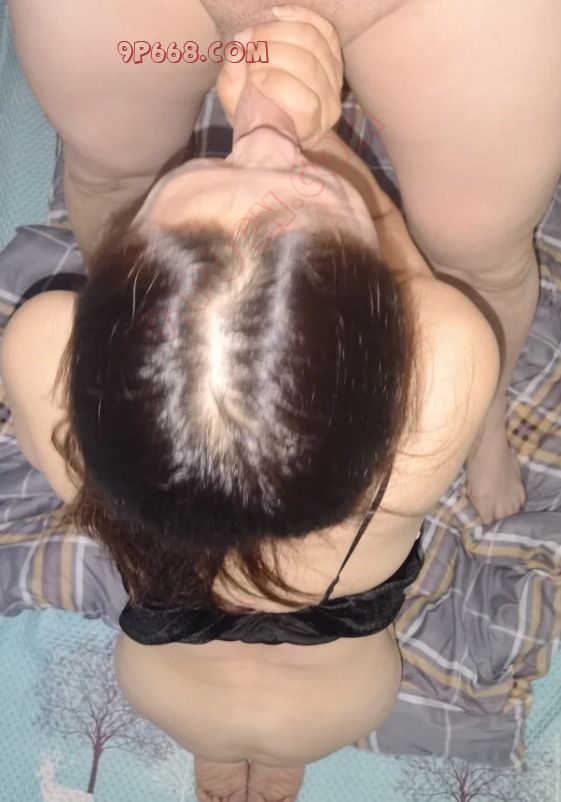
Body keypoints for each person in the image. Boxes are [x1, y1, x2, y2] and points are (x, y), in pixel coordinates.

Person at [0, 10, 501, 802]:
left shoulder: (38, 352)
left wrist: (302, 170)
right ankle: (279, 763)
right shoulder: (446, 368)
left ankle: (218, 756)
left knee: (212, 738)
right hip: (331, 703)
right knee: (286, 749)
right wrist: (320, 137)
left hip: (172, 690)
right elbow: (415, 284)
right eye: (310, 189)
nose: (259, 143)